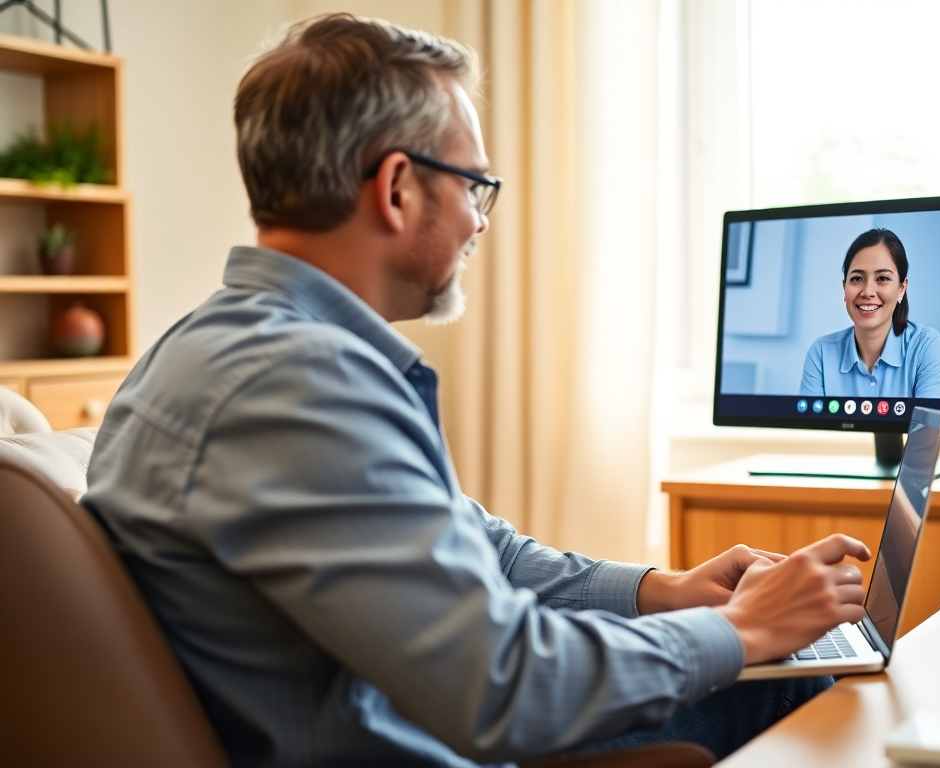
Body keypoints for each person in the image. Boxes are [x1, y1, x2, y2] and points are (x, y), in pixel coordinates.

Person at [82, 14, 873, 768]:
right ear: (397, 189)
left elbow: (464, 541)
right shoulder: (297, 387)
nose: (480, 223)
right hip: (416, 739)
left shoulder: (216, 347)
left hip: (415, 712)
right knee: (797, 683)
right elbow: (506, 687)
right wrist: (738, 631)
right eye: (473, 186)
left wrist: (658, 592)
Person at [800, 228, 940, 399]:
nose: (867, 292)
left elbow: (929, 425)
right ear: (844, 288)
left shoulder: (926, 346)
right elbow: (812, 426)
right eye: (857, 279)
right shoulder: (821, 352)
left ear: (901, 289)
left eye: (882, 278)